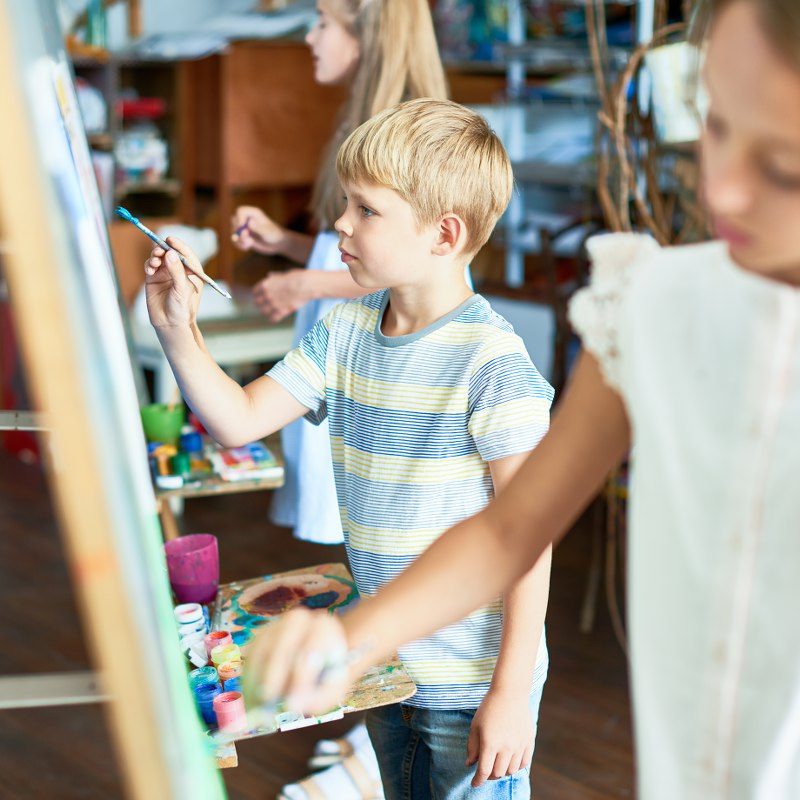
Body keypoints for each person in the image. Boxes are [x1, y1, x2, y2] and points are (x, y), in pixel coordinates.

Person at [246, 1, 800, 798]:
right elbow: (511, 529)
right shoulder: (652, 306)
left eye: (780, 161)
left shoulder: (491, 354)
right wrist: (348, 642)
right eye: (714, 127)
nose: (724, 189)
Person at [143, 98, 554, 799]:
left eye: (367, 210)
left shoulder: (493, 363)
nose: (339, 223)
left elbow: (529, 537)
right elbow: (240, 419)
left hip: (470, 682)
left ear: (443, 234)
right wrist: (178, 329)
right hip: (383, 664)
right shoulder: (343, 332)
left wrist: (511, 693)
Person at [231, 0, 448, 546]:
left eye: (323, 23)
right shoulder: (363, 117)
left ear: (366, 36)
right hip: (341, 343)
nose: (310, 37)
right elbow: (351, 249)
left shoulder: (407, 133)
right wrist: (286, 243)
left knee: (372, 531)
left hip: (375, 353)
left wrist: (303, 283)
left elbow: (403, 268)